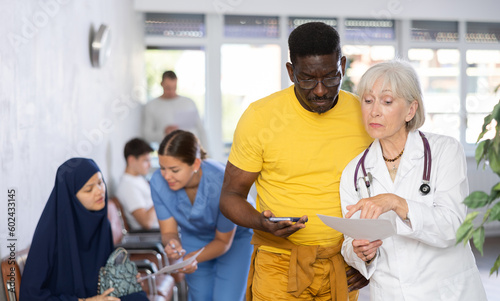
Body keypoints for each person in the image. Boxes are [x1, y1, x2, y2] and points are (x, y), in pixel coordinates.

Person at [219, 22, 373, 301]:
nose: (320, 91)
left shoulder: (365, 115)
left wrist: (369, 259)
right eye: (306, 79)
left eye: (330, 77)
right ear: (291, 72)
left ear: (343, 65)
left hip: (343, 264)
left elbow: (386, 193)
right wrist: (261, 222)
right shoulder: (260, 117)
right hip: (278, 264)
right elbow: (230, 196)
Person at [339, 60, 487, 300]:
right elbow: (349, 241)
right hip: (390, 293)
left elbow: (454, 227)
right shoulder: (354, 172)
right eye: (368, 101)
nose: (374, 111)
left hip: (447, 292)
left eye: (386, 102)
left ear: (410, 110)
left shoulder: (444, 151)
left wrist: (396, 202)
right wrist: (361, 252)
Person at [20, 158, 148, 301]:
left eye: (100, 183)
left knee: (138, 297)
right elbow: (29, 296)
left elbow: (106, 270)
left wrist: (123, 279)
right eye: (89, 189)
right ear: (71, 197)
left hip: (100, 296)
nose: (99, 191)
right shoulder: (49, 235)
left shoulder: (102, 223)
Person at [149, 130, 253, 301]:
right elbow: (169, 232)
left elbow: (223, 242)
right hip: (195, 234)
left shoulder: (221, 181)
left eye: (174, 170)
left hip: (234, 239)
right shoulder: (158, 182)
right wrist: (172, 245)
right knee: (201, 296)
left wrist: (191, 257)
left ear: (196, 164)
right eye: (162, 168)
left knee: (226, 298)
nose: (167, 176)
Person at [142, 70, 208, 148]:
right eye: (168, 88)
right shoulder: (151, 106)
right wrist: (165, 132)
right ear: (161, 84)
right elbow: (147, 135)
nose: (171, 92)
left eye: (174, 88)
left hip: (191, 151)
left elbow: (201, 129)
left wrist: (207, 152)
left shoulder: (189, 103)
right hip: (167, 154)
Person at [115, 137, 159, 231]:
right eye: (145, 160)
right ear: (131, 160)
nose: (150, 165)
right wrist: (161, 196)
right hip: (155, 235)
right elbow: (146, 222)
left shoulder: (138, 178)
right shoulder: (128, 186)